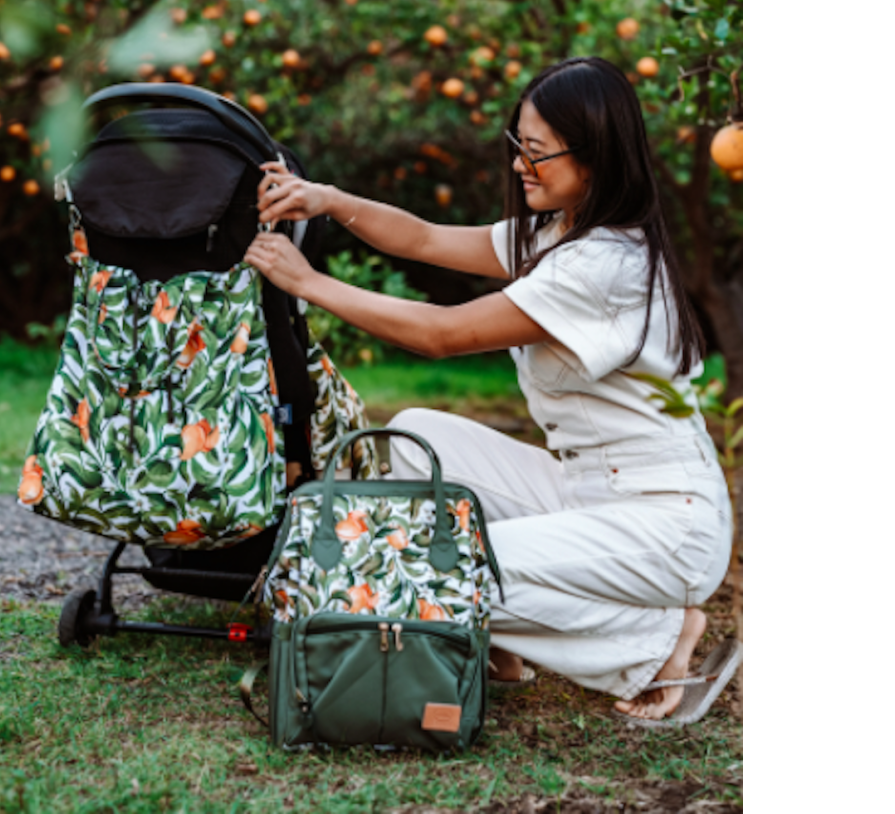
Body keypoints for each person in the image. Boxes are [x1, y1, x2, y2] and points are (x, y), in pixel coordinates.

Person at [243, 55, 739, 726]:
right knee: (419, 438)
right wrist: (328, 199)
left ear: (593, 157)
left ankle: (651, 645)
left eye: (536, 154)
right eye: (518, 148)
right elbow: (422, 237)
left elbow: (443, 335)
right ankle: (502, 645)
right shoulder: (559, 231)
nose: (518, 167)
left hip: (663, 524)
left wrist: (308, 283)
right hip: (589, 488)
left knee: (435, 565)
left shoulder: (600, 266)